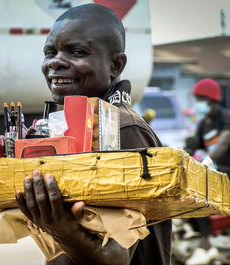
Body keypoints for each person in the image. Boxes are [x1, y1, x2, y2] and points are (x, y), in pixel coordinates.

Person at [15, 4, 171, 265]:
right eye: (50, 52)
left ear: (115, 65)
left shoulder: (122, 129)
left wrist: (63, 229)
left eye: (77, 52)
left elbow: (117, 258)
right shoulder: (72, 127)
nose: (55, 62)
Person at [185, 78, 230, 265]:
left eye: (202, 98)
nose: (199, 103)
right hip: (223, 176)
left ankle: (205, 245)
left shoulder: (228, 118)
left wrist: (208, 161)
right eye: (197, 98)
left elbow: (224, 142)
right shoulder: (204, 125)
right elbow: (192, 148)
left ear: (213, 100)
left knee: (202, 191)